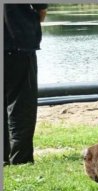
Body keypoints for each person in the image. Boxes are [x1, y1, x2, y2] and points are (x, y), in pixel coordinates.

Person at [4, 4, 47, 165]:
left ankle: (4, 158)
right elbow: (41, 10)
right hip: (18, 42)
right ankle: (20, 159)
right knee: (22, 106)